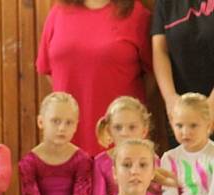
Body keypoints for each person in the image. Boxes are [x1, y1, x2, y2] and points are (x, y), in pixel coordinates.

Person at [36, 0, 152, 156]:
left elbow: (153, 74)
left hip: (119, 148)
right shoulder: (58, 12)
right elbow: (49, 70)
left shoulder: (136, 14)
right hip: (65, 144)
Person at [19, 92, 92, 195]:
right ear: (41, 122)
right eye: (56, 121)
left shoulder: (82, 160)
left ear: (76, 126)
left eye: (69, 122)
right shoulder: (29, 162)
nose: (62, 128)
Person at [151, 0, 214, 144]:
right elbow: (160, 50)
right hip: (183, 115)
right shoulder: (165, 3)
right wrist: (170, 98)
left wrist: (212, 104)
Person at [91, 96, 167, 195]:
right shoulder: (101, 162)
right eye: (118, 127)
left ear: (144, 130)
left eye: (132, 127)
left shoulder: (153, 160)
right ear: (109, 130)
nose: (124, 133)